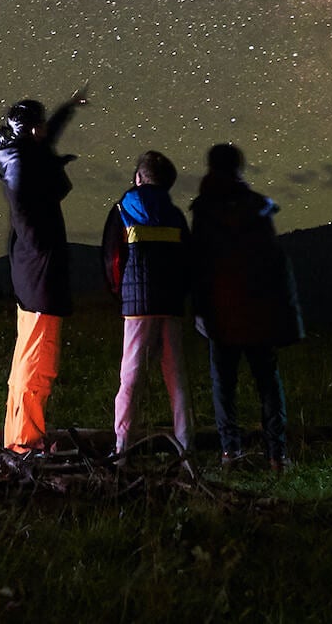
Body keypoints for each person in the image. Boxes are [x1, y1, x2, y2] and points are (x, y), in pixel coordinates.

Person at [188, 143, 303, 469]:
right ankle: (276, 455)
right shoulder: (257, 208)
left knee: (224, 385)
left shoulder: (205, 210)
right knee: (267, 382)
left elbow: (199, 265)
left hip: (220, 313)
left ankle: (230, 452)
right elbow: (274, 263)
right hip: (258, 312)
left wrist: (199, 309)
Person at [0, 88, 85, 452]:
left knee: (27, 358)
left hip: (30, 274)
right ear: (32, 131)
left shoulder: (21, 157)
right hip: (40, 277)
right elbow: (35, 198)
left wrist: (67, 108)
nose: (48, 130)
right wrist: (55, 167)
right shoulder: (24, 168)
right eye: (43, 125)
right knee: (37, 363)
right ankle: (25, 444)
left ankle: (17, 437)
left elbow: (45, 145)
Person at [103, 150, 191, 456]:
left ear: (139, 177)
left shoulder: (123, 209)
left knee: (130, 377)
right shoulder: (176, 215)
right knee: (176, 377)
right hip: (171, 304)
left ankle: (122, 447)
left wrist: (121, 293)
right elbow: (187, 261)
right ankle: (185, 447)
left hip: (137, 307)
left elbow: (113, 259)